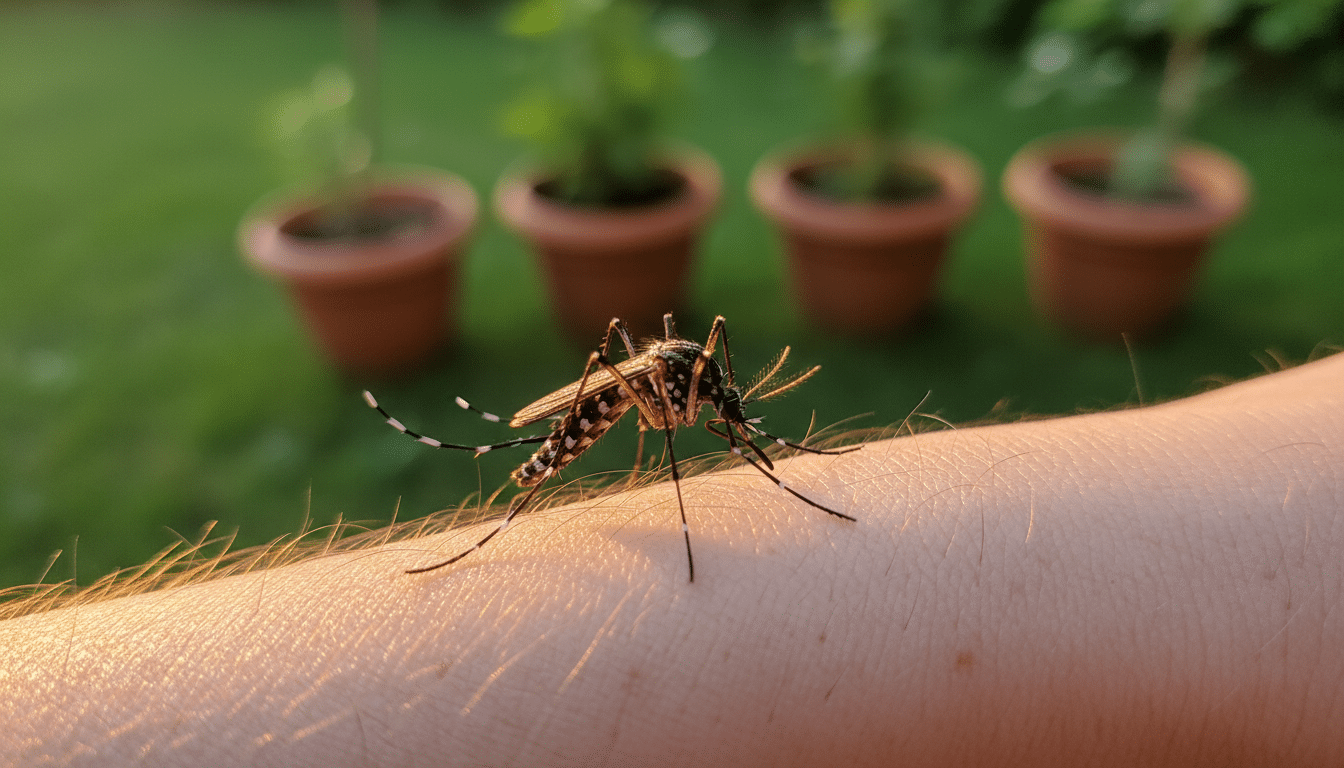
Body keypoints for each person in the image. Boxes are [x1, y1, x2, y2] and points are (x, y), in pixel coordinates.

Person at [2, 351, 1341, 767]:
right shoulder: (660, 389)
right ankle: (500, 525)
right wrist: (696, 478)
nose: (720, 413)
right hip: (605, 410)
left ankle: (506, 514)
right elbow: (670, 405)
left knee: (655, 438)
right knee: (583, 461)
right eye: (721, 407)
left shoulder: (694, 378)